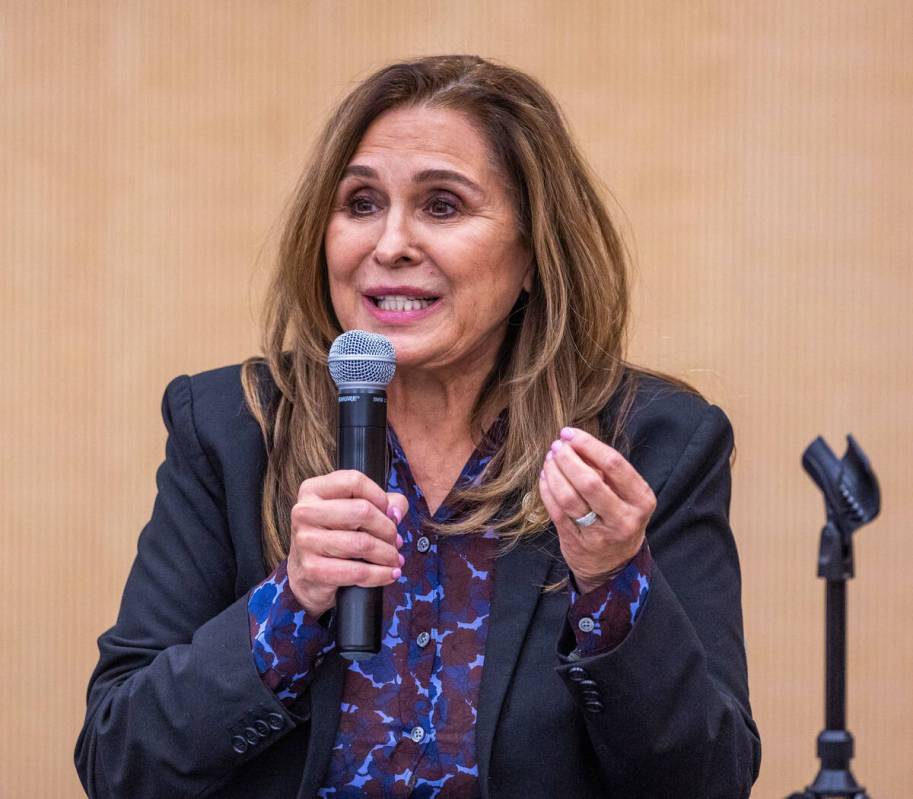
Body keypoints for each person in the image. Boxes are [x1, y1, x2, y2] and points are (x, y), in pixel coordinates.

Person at [75, 55, 760, 798]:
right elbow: (121, 763)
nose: (389, 243)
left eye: (441, 206)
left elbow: (708, 779)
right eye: (361, 203)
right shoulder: (232, 427)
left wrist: (613, 582)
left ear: (533, 253)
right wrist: (292, 598)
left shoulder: (646, 443)